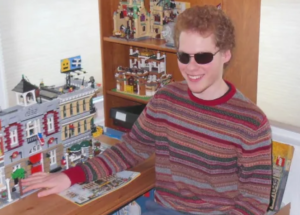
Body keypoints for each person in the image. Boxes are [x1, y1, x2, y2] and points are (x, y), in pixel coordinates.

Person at [22, 5, 272, 215]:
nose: (191, 67)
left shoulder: (251, 122)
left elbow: (254, 203)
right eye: (184, 56)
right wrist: (70, 176)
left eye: (203, 57)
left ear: (226, 54)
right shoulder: (165, 100)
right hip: (162, 209)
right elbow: (130, 150)